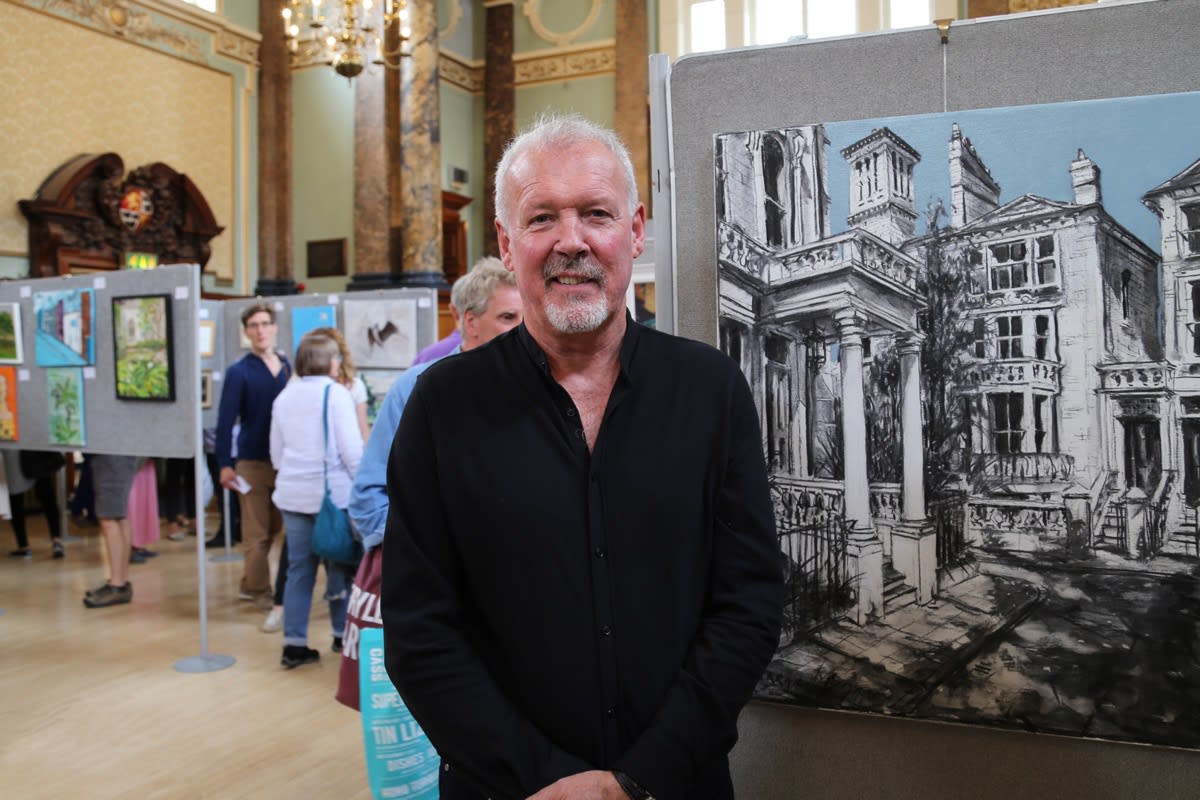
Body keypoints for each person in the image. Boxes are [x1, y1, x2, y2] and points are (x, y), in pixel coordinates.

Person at [381, 115, 783, 800]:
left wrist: (639, 777)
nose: (572, 241)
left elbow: (748, 601)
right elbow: (420, 630)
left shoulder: (710, 391)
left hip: (675, 785)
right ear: (508, 245)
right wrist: (542, 779)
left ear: (634, 232)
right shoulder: (442, 407)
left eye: (596, 214)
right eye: (543, 219)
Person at [348, 257, 522, 553]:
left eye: (529, 317)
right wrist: (433, 553)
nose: (524, 329)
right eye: (508, 317)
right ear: (471, 321)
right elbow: (368, 500)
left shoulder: (543, 387)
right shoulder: (417, 388)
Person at [269, 332, 363, 669]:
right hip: (331, 496)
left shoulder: (284, 396)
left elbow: (276, 454)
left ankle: (294, 644)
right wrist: (364, 486)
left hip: (292, 495)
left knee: (298, 570)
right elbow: (352, 452)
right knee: (339, 565)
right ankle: (342, 634)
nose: (339, 363)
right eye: (336, 357)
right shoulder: (335, 395)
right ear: (327, 361)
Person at [215, 303, 291, 612]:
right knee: (257, 533)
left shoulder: (287, 366)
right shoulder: (239, 371)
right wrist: (224, 464)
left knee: (274, 530)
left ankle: (250, 582)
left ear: (273, 327)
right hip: (252, 462)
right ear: (246, 332)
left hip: (283, 463)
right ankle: (260, 590)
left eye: (264, 324)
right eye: (253, 326)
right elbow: (225, 420)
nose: (260, 330)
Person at [82, 454, 141, 608]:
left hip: (112, 453)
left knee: (109, 518)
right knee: (120, 516)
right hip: (119, 452)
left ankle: (116, 585)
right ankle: (120, 580)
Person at [3, 450, 64, 559]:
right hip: (35, 449)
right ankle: (57, 541)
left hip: (13, 448)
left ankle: (23, 546)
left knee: (16, 500)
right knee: (48, 496)